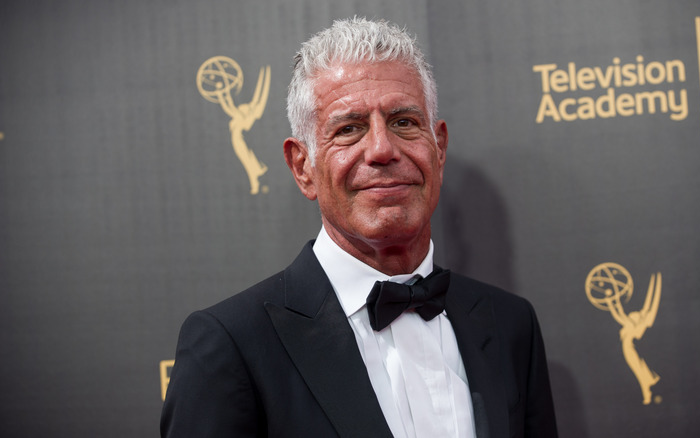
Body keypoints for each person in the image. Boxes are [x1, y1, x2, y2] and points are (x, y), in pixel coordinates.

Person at [161, 17, 558, 438]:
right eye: (349, 129)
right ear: (303, 167)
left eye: (404, 122)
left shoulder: (511, 324)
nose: (383, 150)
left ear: (438, 148)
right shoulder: (230, 345)